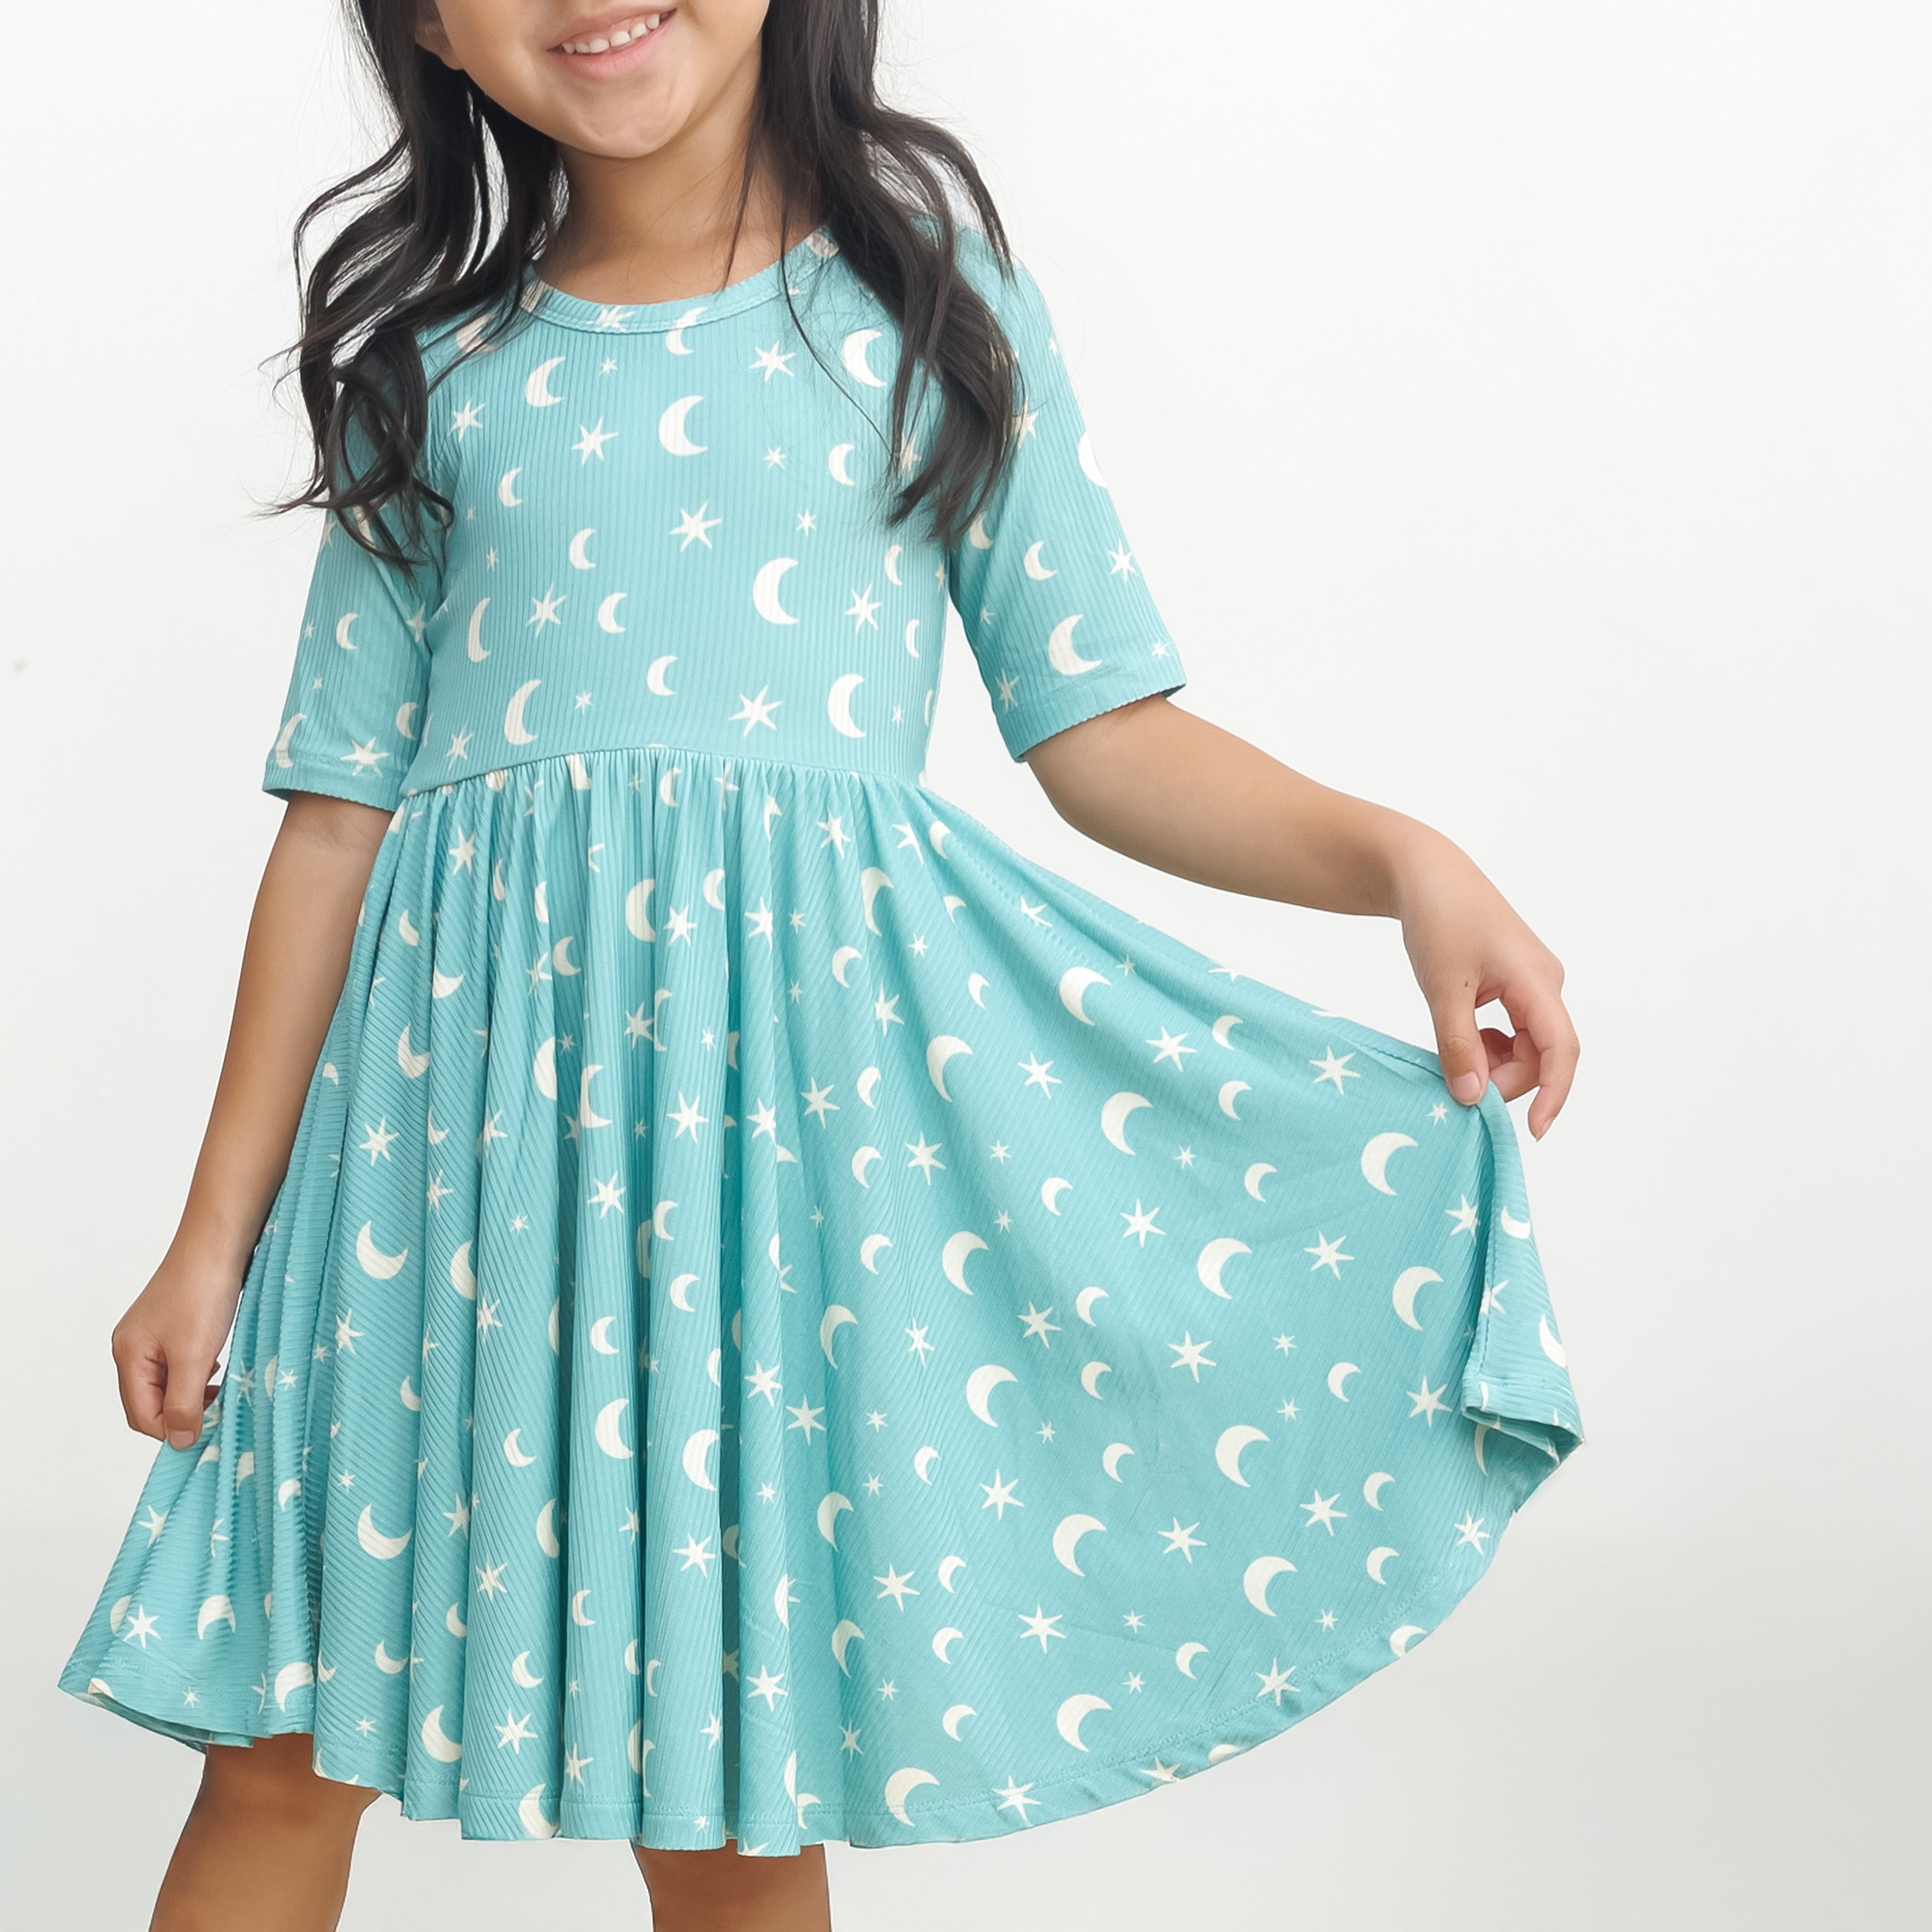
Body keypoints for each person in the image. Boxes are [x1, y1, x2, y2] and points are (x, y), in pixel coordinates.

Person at [57, 2, 1586, 1926]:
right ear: (430, 27)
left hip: (749, 1196)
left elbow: (1103, 734)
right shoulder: (431, 370)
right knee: (279, 1750)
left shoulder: (930, 317)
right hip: (426, 1186)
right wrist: (214, 1239)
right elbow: (337, 827)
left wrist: (1400, 859)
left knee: (723, 1800)